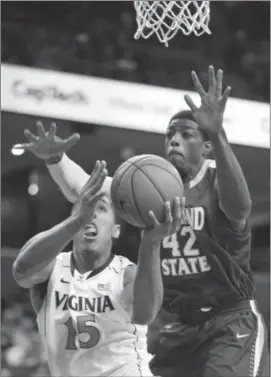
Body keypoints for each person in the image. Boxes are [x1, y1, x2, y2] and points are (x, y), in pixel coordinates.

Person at [18, 66, 269, 377]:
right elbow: (85, 189)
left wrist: (217, 132)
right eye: (170, 135)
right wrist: (56, 159)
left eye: (186, 134)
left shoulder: (219, 181)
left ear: (205, 148)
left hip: (228, 321)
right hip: (176, 326)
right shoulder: (147, 190)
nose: (174, 141)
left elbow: (240, 208)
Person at [12, 159, 184, 376]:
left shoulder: (126, 274)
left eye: (101, 209)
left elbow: (144, 314)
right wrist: (76, 221)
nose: (91, 214)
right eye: (86, 208)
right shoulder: (52, 268)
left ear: (115, 230)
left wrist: (151, 243)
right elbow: (21, 272)